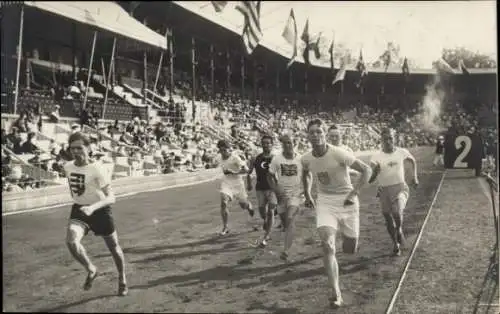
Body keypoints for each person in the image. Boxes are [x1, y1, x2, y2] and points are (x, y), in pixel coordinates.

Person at [301, 119, 372, 308]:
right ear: (307, 136)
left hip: (347, 200)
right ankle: (336, 293)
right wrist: (307, 192)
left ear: (324, 135)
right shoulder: (306, 158)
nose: (315, 135)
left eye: (319, 132)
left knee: (349, 248)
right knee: (327, 245)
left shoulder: (339, 153)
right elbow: (306, 172)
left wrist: (354, 193)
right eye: (312, 132)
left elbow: (366, 170)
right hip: (325, 202)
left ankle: (348, 239)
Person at [64, 132, 128, 296]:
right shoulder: (68, 167)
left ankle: (122, 279)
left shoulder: (97, 168)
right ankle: (91, 269)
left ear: (88, 148)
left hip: (100, 210)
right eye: (72, 149)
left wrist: (92, 208)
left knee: (113, 248)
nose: (76, 152)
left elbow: (111, 197)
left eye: (79, 148)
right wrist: (84, 206)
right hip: (79, 209)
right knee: (71, 241)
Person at [368, 128, 419, 256]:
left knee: (397, 211)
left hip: (400, 187)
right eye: (385, 139)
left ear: (394, 138)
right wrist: (375, 172)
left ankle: (399, 229)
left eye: (390, 138)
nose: (388, 141)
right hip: (384, 190)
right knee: (387, 217)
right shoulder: (376, 157)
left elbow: (412, 160)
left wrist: (414, 176)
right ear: (381, 141)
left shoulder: (401, 152)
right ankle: (395, 244)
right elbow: (371, 180)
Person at [267, 132, 303, 259]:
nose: (288, 145)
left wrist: (307, 192)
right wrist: (276, 190)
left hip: (296, 194)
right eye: (285, 143)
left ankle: (286, 251)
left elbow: (308, 174)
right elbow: (269, 176)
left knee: (289, 217)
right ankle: (287, 232)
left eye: (290, 142)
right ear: (282, 145)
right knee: (285, 221)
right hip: (281, 195)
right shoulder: (277, 159)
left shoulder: (301, 159)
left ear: (295, 143)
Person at [217, 139, 254, 235]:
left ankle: (249, 206)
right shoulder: (219, 158)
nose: (224, 152)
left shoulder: (235, 158)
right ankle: (225, 227)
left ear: (229, 149)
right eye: (221, 150)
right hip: (226, 182)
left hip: (238, 183)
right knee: (223, 202)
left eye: (225, 150)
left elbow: (246, 170)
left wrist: (234, 172)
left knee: (243, 205)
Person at [247, 135, 278, 247]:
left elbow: (280, 174)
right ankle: (265, 220)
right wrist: (249, 182)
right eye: (263, 143)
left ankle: (266, 236)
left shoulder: (276, 158)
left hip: (272, 188)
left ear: (271, 144)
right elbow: (250, 171)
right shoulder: (257, 158)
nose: (265, 145)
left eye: (267, 143)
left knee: (270, 211)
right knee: (262, 211)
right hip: (260, 188)